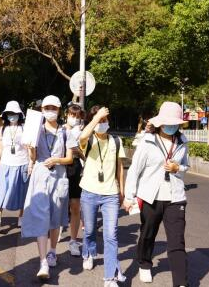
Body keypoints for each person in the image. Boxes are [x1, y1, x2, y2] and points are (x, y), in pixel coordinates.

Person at [123, 101, 189, 287]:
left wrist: (178, 168)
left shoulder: (183, 142)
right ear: (160, 122)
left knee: (177, 240)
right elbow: (135, 170)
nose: (171, 125)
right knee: (147, 233)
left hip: (175, 197)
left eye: (175, 122)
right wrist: (129, 196)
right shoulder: (147, 141)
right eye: (168, 122)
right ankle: (144, 264)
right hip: (150, 196)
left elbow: (186, 166)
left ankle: (181, 283)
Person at [21, 95, 74, 281]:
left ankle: (52, 251)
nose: (50, 110)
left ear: (59, 110)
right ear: (42, 109)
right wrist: (30, 149)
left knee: (56, 218)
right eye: (46, 107)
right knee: (41, 217)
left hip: (59, 177)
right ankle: (43, 261)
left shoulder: (66, 132)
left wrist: (57, 159)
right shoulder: (35, 129)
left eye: (54, 107)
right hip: (40, 177)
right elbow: (34, 158)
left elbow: (70, 159)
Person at [78, 105, 126, 286]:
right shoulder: (88, 140)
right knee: (89, 230)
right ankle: (89, 252)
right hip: (89, 192)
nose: (101, 123)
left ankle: (110, 277)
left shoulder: (116, 141)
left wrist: (122, 191)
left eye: (104, 120)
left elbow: (120, 168)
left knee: (111, 235)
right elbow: (81, 136)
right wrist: (96, 117)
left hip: (110, 194)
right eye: (99, 120)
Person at [0, 101, 29, 231]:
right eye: (9, 114)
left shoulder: (25, 128)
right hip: (5, 164)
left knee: (22, 192)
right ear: (5, 115)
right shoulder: (3, 129)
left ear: (19, 114)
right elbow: (1, 147)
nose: (12, 116)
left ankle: (21, 218)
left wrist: (31, 163)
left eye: (14, 113)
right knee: (1, 191)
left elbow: (29, 147)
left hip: (22, 164)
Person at [64, 103, 86, 257]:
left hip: (76, 167)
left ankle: (73, 240)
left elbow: (85, 150)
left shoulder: (83, 132)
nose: (74, 119)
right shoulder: (60, 130)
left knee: (75, 205)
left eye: (77, 117)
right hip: (60, 166)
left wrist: (78, 151)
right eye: (72, 115)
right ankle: (56, 232)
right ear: (66, 115)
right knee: (59, 204)